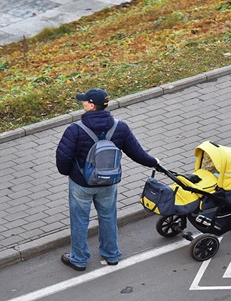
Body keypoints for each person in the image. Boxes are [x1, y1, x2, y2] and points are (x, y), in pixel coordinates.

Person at [56, 88, 159, 271]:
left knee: (80, 220)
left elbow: (63, 158)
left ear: (92, 105)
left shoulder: (75, 130)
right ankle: (111, 254)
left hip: (82, 184)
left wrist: (69, 172)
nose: (82, 103)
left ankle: (79, 259)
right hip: (108, 182)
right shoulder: (120, 127)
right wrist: (154, 162)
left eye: (85, 101)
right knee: (108, 216)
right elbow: (137, 153)